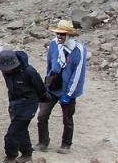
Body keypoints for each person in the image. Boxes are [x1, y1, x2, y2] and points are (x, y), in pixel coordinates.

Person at [37, 19, 87, 154]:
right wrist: (47, 83)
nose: (59, 37)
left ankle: (66, 144)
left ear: (69, 36)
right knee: (42, 115)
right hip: (53, 86)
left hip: (68, 89)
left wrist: (69, 93)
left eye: (62, 35)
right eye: (58, 34)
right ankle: (43, 142)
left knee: (67, 118)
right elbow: (49, 64)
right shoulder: (54, 45)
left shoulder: (79, 49)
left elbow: (78, 74)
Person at [0, 50, 51, 163]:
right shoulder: (6, 72)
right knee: (21, 130)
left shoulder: (29, 71)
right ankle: (26, 154)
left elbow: (40, 88)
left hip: (28, 104)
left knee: (12, 133)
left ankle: (10, 157)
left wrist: (42, 99)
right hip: (15, 103)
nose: (4, 71)